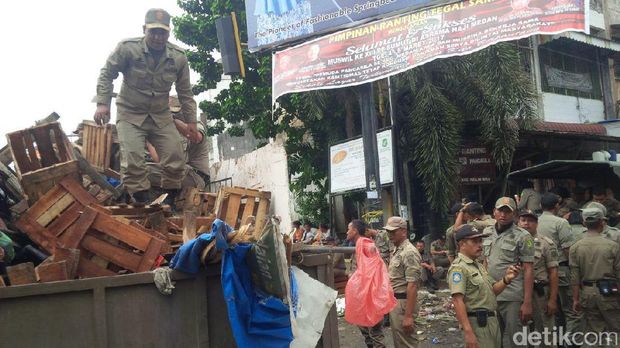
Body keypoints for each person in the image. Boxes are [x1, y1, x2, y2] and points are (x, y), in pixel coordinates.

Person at [94, 8, 198, 206]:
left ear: (169, 32)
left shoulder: (178, 57)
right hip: (130, 114)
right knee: (133, 160)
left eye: (163, 32)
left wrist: (191, 122)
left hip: (161, 116)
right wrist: (102, 104)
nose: (158, 37)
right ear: (144, 30)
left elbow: (185, 91)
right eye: (153, 32)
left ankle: (167, 203)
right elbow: (107, 73)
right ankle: (141, 203)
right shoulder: (127, 49)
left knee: (176, 158)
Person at [449, 225, 522, 348]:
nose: (480, 245)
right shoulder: (459, 268)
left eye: (480, 241)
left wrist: (506, 279)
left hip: (491, 322)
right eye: (474, 241)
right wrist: (468, 332)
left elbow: (492, 291)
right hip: (477, 324)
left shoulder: (479, 265)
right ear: (462, 244)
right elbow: (457, 300)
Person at [483, 197, 534, 348]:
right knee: (493, 339)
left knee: (516, 340)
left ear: (515, 214)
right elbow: (485, 262)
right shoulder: (486, 233)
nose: (503, 215)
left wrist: (527, 302)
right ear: (494, 212)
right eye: (500, 210)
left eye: (507, 211)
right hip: (491, 294)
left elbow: (529, 269)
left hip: (512, 296)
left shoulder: (523, 236)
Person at [569, 208, 620, 337]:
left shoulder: (575, 247)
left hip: (587, 293)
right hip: (610, 292)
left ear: (584, 224)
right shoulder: (613, 246)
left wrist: (575, 299)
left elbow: (574, 277)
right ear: (602, 222)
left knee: (593, 331)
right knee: (615, 330)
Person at [147, 96, 210, 197]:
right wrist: (148, 139)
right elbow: (159, 159)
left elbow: (196, 137)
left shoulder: (196, 124)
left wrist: (172, 120)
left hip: (197, 176)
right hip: (180, 174)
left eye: (174, 113)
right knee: (142, 170)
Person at [536, 192, 579, 337]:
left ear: (541, 206)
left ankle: (558, 339)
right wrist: (575, 271)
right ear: (557, 206)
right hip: (560, 269)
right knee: (569, 309)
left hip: (541, 273)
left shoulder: (534, 221)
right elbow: (568, 249)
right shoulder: (560, 222)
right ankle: (570, 341)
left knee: (552, 311)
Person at [517, 210, 559, 346]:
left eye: (530, 221)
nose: (526, 224)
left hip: (540, 293)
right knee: (521, 333)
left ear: (536, 224)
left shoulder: (546, 243)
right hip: (518, 292)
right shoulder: (513, 241)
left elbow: (553, 272)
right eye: (523, 220)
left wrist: (552, 300)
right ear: (518, 222)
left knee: (545, 333)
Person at [346, 219, 386, 348]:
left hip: (371, 296)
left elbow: (377, 270)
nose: (347, 232)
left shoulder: (367, 245)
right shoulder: (359, 245)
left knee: (375, 333)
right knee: (365, 331)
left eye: (348, 229)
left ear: (355, 231)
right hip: (362, 296)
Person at [385, 216, 422, 348]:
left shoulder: (409, 252)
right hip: (396, 302)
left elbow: (412, 285)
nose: (390, 235)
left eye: (393, 232)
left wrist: (408, 316)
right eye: (388, 232)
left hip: (403, 303)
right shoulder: (397, 249)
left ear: (404, 231)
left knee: (407, 343)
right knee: (400, 342)